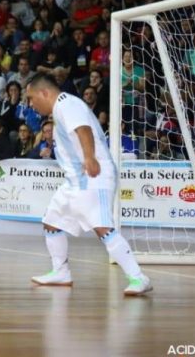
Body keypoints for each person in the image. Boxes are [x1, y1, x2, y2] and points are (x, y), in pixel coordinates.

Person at [24, 73, 152, 296]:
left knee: (102, 228)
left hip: (93, 176)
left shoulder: (66, 105)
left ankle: (139, 278)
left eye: (32, 98)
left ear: (44, 93)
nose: (31, 104)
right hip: (74, 181)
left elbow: (83, 129)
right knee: (51, 222)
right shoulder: (62, 108)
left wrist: (90, 158)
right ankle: (60, 272)